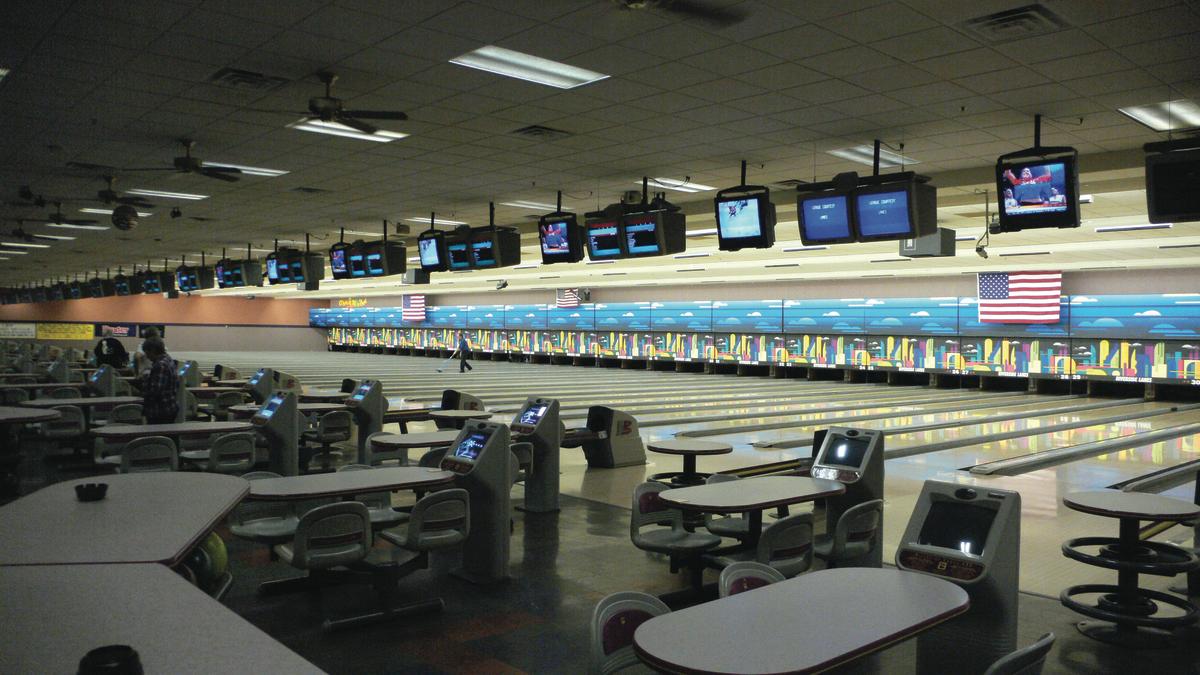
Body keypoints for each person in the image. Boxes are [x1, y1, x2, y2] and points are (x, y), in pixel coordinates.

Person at [138, 337, 179, 424]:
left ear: (153, 350)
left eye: (147, 352)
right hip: (169, 407)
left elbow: (155, 391)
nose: (147, 356)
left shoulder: (160, 365)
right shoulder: (168, 359)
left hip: (160, 411)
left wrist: (144, 383)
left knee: (156, 436)